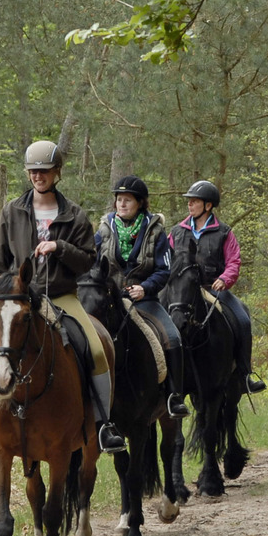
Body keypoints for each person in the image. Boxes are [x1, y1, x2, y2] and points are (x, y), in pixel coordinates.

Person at [0, 140, 127, 454]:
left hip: (63, 295)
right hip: (16, 298)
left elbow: (87, 260)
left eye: (44, 170)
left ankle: (103, 426)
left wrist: (60, 247)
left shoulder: (75, 215)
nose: (38, 176)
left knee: (96, 349)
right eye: (33, 171)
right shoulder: (12, 211)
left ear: (56, 172)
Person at [92, 175, 189, 418]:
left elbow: (164, 270)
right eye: (118, 199)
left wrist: (145, 287)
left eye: (127, 200)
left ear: (140, 203)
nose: (121, 204)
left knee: (172, 337)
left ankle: (174, 396)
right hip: (110, 299)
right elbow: (92, 265)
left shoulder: (155, 230)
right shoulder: (103, 229)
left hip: (144, 299)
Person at [170, 180, 268, 395]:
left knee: (242, 317)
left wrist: (225, 279)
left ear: (208, 205)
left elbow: (234, 261)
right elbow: (166, 259)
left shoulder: (224, 232)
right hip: (183, 291)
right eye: (189, 201)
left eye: (194, 201)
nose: (190, 205)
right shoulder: (177, 231)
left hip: (212, 287)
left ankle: (245, 374)